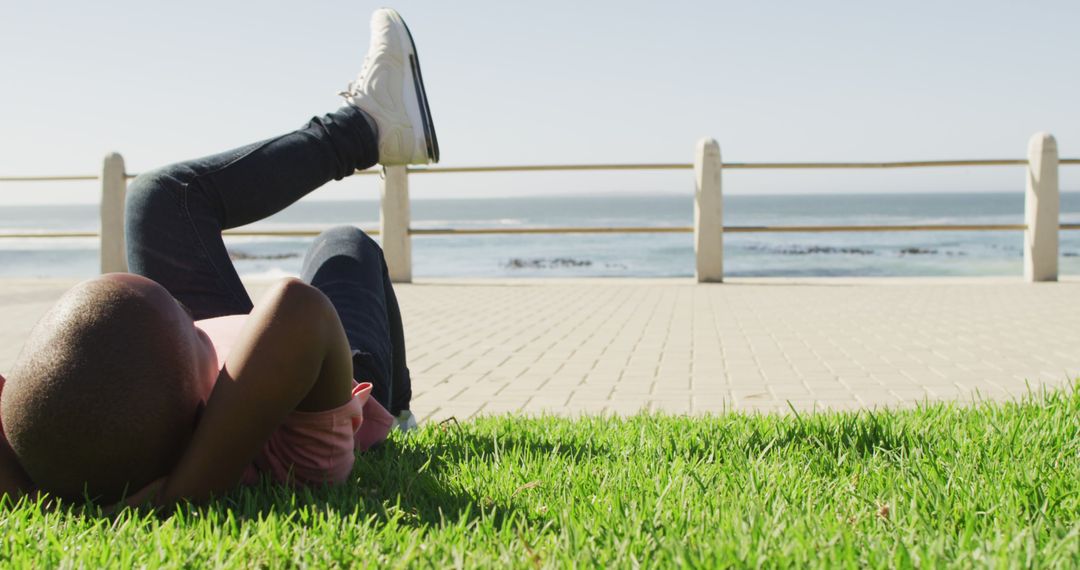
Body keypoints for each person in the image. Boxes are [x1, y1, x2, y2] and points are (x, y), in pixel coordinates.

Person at [0, 7, 437, 505]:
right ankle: (395, 413)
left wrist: (28, 489)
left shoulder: (65, 423)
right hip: (329, 379)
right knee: (343, 245)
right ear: (199, 413)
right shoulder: (292, 447)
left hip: (162, 370)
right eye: (189, 323)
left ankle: (366, 127)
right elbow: (298, 308)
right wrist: (183, 495)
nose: (188, 311)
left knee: (159, 199)